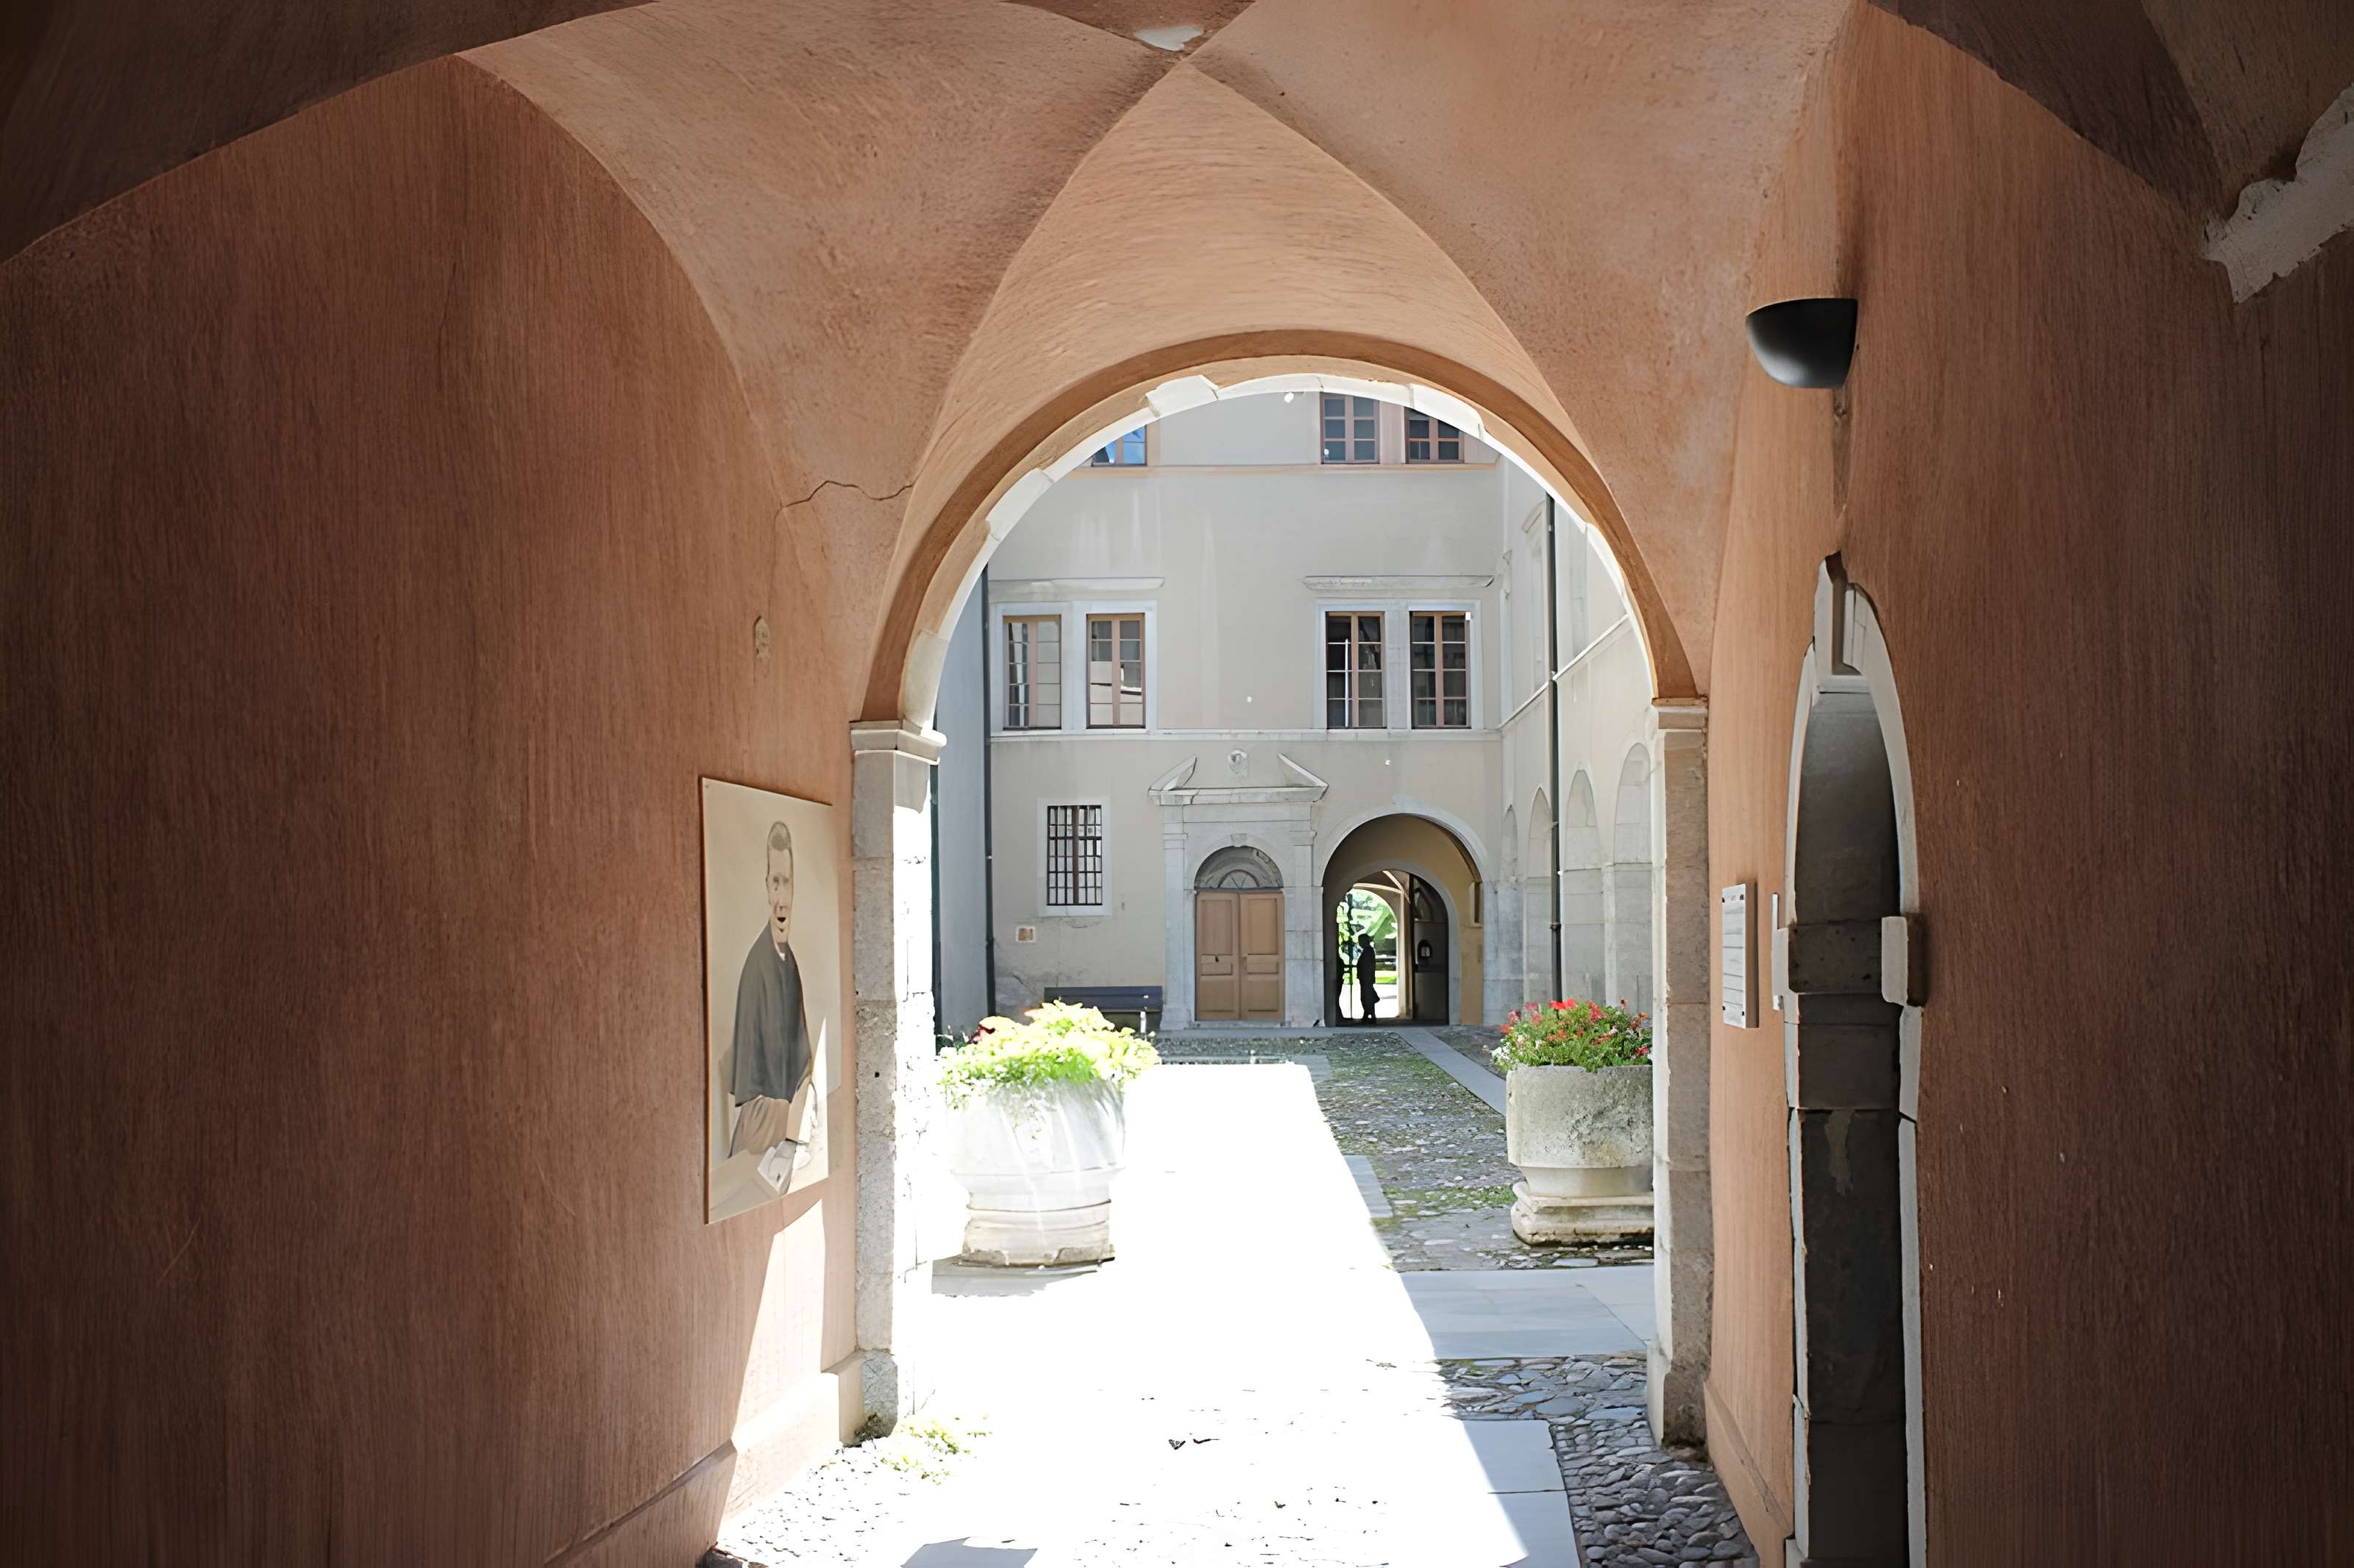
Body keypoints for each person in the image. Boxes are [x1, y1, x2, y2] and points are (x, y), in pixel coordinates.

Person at [730, 821, 814, 1181]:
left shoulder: (789, 962)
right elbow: (752, 1116)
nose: (781, 896)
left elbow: (805, 1068)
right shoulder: (756, 970)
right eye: (775, 882)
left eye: (787, 882)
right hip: (752, 1167)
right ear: (767, 887)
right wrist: (798, 1118)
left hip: (785, 1150)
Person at [1356, 933, 1380, 1020]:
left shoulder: (1368, 951)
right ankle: (1368, 1014)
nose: (1359, 943)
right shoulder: (1368, 951)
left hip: (1366, 978)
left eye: (1360, 941)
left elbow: (1368, 966)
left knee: (1367, 997)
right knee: (1367, 996)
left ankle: (1370, 1014)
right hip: (1366, 978)